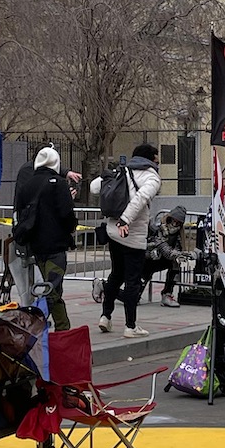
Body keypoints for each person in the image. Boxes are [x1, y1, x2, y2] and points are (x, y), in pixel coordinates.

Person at [93, 142, 162, 338]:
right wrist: (126, 219)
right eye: (156, 158)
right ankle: (130, 326)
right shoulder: (151, 177)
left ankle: (105, 316)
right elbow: (140, 199)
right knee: (133, 281)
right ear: (151, 158)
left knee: (116, 275)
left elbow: (94, 187)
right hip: (133, 235)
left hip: (113, 232)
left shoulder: (121, 170)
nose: (158, 162)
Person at [16, 147, 78, 330]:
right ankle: (38, 324)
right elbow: (66, 213)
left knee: (52, 287)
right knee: (53, 289)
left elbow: (20, 212)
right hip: (56, 244)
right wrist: (70, 228)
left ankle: (61, 326)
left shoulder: (27, 185)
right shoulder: (58, 183)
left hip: (37, 244)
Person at [8, 149, 48, 311]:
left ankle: (35, 310)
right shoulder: (30, 172)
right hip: (29, 232)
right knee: (29, 276)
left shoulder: (38, 174)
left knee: (37, 277)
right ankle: (32, 310)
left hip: (32, 231)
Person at [148, 206, 187, 306]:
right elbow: (160, 244)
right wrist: (173, 253)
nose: (176, 224)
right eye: (175, 220)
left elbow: (178, 247)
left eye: (179, 222)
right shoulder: (157, 226)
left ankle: (167, 293)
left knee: (175, 265)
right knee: (132, 295)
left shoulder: (178, 233)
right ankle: (105, 287)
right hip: (148, 260)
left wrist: (179, 254)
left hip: (163, 259)